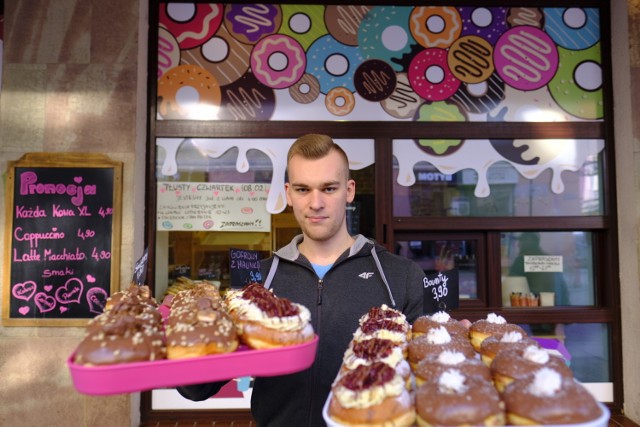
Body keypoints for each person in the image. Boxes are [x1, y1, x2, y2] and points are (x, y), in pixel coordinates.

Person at [177, 134, 428, 426]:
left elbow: (427, 378)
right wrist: (188, 333)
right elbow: (198, 388)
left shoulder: (400, 276)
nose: (316, 203)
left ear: (349, 191)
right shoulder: (255, 280)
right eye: (302, 189)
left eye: (329, 188)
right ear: (288, 193)